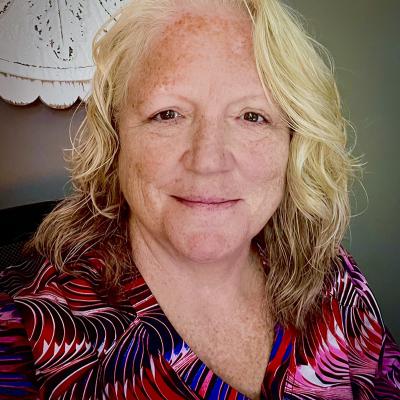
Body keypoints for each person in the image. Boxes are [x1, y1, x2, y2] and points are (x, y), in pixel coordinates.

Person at [0, 0, 399, 398]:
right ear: (115, 137)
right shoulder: (22, 331)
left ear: (293, 142)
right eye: (168, 114)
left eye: (252, 116)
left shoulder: (333, 281)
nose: (208, 162)